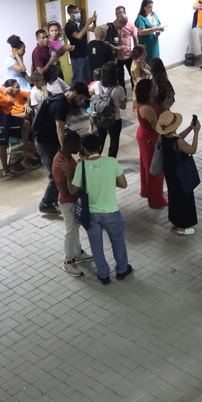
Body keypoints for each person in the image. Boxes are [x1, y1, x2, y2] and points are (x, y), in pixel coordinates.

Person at [62, 133, 130, 284]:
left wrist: (68, 173)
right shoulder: (111, 162)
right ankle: (122, 270)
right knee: (118, 241)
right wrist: (108, 182)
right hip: (111, 211)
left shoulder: (82, 166)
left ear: (84, 149)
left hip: (91, 214)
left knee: (96, 245)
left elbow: (73, 190)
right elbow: (124, 184)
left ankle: (104, 274)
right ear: (99, 147)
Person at [32, 81, 89, 216]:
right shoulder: (61, 105)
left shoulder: (59, 97)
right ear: (75, 92)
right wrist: (65, 151)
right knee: (55, 174)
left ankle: (53, 200)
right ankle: (45, 204)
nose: (80, 101)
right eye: (80, 97)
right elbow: (60, 130)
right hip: (46, 143)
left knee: (57, 171)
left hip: (45, 139)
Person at [49, 130, 93, 277]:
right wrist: (73, 175)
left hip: (74, 201)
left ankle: (77, 252)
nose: (80, 147)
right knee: (71, 231)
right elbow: (64, 190)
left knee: (75, 228)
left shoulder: (67, 157)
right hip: (67, 203)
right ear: (70, 145)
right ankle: (68, 261)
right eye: (78, 145)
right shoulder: (60, 163)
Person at [0, 73, 36, 177]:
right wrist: (8, 94)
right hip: (0, 120)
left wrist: (5, 91)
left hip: (5, 117)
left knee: (26, 124)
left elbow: (2, 91)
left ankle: (25, 150)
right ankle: (6, 169)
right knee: (3, 145)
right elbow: (11, 102)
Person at [154, 110, 200, 235]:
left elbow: (178, 138)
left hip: (170, 172)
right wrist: (196, 132)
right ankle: (183, 227)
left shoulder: (163, 137)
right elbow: (192, 149)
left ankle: (175, 222)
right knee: (184, 199)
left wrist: (190, 127)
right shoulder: (178, 142)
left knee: (173, 197)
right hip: (181, 173)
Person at [134, 79, 166, 209]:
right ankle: (156, 199)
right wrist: (165, 109)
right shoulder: (147, 108)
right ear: (148, 92)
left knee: (146, 165)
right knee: (155, 168)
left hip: (144, 135)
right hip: (151, 138)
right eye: (154, 87)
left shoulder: (146, 102)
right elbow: (157, 127)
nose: (156, 88)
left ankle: (146, 190)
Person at [31, 29, 72, 95]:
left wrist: (64, 49)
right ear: (37, 39)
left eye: (47, 37)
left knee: (70, 91)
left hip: (54, 76)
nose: (46, 39)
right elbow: (40, 71)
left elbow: (56, 55)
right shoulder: (37, 52)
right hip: (48, 81)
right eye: (43, 38)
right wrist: (50, 61)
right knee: (61, 97)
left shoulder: (46, 47)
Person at [64, 4, 96, 85]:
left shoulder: (81, 23)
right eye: (76, 12)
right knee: (77, 77)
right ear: (71, 14)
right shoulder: (68, 26)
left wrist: (94, 22)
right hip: (76, 56)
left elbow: (92, 29)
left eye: (79, 11)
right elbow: (78, 36)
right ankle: (74, 93)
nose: (79, 13)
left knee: (87, 76)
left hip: (85, 53)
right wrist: (86, 25)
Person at [113, 6, 139, 90]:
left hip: (129, 55)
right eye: (116, 14)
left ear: (124, 13)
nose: (118, 15)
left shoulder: (130, 25)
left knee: (133, 74)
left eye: (119, 13)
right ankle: (123, 96)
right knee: (120, 77)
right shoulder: (113, 26)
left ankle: (135, 92)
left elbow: (135, 38)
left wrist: (136, 52)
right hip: (117, 57)